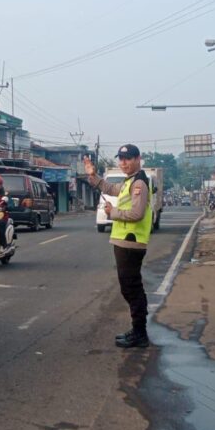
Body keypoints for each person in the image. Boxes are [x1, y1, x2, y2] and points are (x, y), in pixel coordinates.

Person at [84, 145, 153, 349]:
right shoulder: (129, 181)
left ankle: (140, 333)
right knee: (129, 287)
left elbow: (137, 214)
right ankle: (138, 329)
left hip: (131, 241)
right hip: (124, 241)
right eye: (121, 159)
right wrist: (93, 175)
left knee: (131, 288)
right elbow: (110, 189)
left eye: (128, 158)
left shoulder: (138, 183)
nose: (123, 163)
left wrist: (112, 213)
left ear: (138, 159)